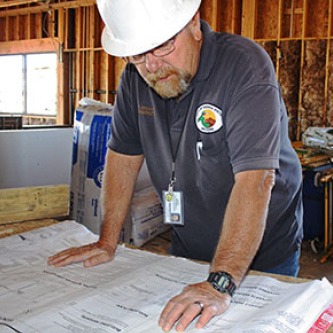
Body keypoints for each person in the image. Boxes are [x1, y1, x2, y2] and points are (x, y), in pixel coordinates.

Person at [48, 0, 303, 331]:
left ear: (194, 24)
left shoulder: (244, 66)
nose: (151, 65)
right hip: (189, 249)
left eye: (163, 45)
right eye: (138, 54)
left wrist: (221, 283)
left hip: (263, 256)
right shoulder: (135, 80)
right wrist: (106, 241)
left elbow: (255, 180)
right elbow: (123, 157)